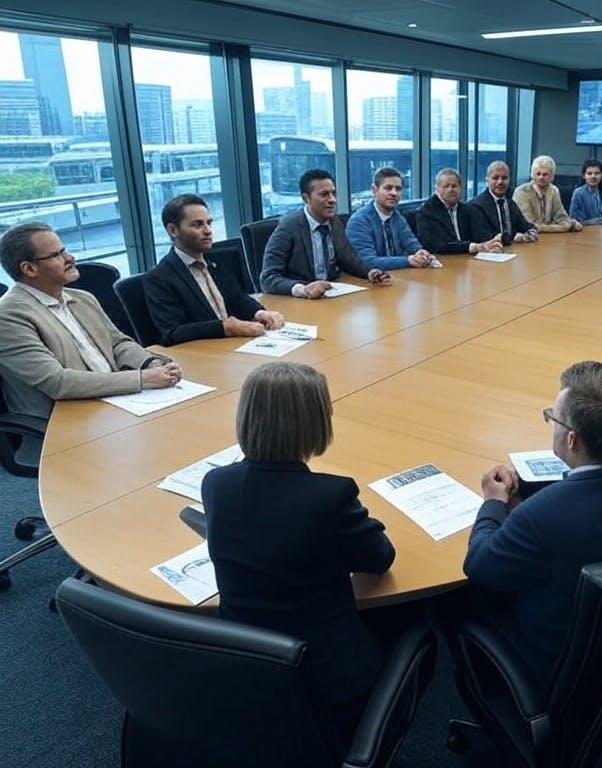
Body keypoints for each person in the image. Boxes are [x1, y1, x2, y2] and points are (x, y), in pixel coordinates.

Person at [203, 361, 395, 741]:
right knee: (420, 619)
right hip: (328, 679)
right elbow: (380, 558)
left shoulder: (216, 484)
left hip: (245, 662)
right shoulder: (331, 496)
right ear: (314, 422)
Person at [462, 360, 602, 684]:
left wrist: (494, 500)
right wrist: (530, 485)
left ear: (572, 440)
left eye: (552, 417)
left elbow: (479, 565)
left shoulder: (540, 517)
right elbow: (592, 490)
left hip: (561, 660)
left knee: (455, 609)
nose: (551, 422)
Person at [0, 222, 181, 466]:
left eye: (64, 250)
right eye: (57, 254)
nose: (70, 257)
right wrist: (143, 379)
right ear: (29, 268)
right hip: (65, 425)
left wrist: (151, 363)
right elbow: (57, 382)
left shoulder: (82, 298)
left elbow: (117, 343)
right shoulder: (8, 316)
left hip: (113, 404)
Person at [145, 194, 284, 346]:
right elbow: (173, 333)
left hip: (236, 347)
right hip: (202, 354)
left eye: (209, 223)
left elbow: (238, 299)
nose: (208, 230)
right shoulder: (159, 278)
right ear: (173, 230)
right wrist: (225, 328)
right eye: (197, 225)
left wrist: (260, 312)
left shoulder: (218, 260)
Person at [260, 169, 390, 298]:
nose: (332, 200)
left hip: (329, 295)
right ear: (306, 198)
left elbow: (349, 260)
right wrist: (303, 289)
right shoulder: (289, 227)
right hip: (300, 302)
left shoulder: (334, 222)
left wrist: (369, 272)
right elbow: (268, 278)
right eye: (324, 195)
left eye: (334, 193)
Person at [346, 167, 437, 270]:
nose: (394, 193)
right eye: (388, 188)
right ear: (374, 190)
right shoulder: (359, 221)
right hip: (369, 281)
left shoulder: (397, 217)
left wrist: (421, 253)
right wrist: (408, 260)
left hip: (397, 278)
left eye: (398, 189)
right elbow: (366, 261)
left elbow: (412, 244)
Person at [416, 168, 503, 255]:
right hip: (443, 261)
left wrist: (492, 242)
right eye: (446, 186)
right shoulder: (427, 212)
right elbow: (438, 245)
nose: (451, 189)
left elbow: (480, 234)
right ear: (437, 189)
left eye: (454, 186)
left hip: (467, 260)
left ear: (460, 188)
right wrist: (472, 247)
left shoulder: (467, 209)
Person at [468, 161, 538, 246]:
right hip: (487, 255)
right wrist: (513, 237)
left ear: (509, 180)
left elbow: (529, 227)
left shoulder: (510, 203)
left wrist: (525, 237)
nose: (500, 182)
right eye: (495, 178)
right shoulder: (476, 206)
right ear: (487, 181)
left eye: (504, 178)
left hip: (511, 253)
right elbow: (485, 238)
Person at [512, 155, 581, 232]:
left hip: (549, 238)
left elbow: (562, 217)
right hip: (526, 238)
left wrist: (570, 223)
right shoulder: (521, 192)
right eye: (538, 174)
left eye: (545, 174)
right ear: (532, 175)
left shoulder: (554, 190)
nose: (541, 177)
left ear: (552, 176)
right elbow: (529, 225)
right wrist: (563, 227)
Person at [568, 159, 602, 224]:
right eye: (589, 173)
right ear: (583, 176)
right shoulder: (578, 193)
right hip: (584, 230)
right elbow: (574, 219)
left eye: (597, 173)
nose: (593, 176)